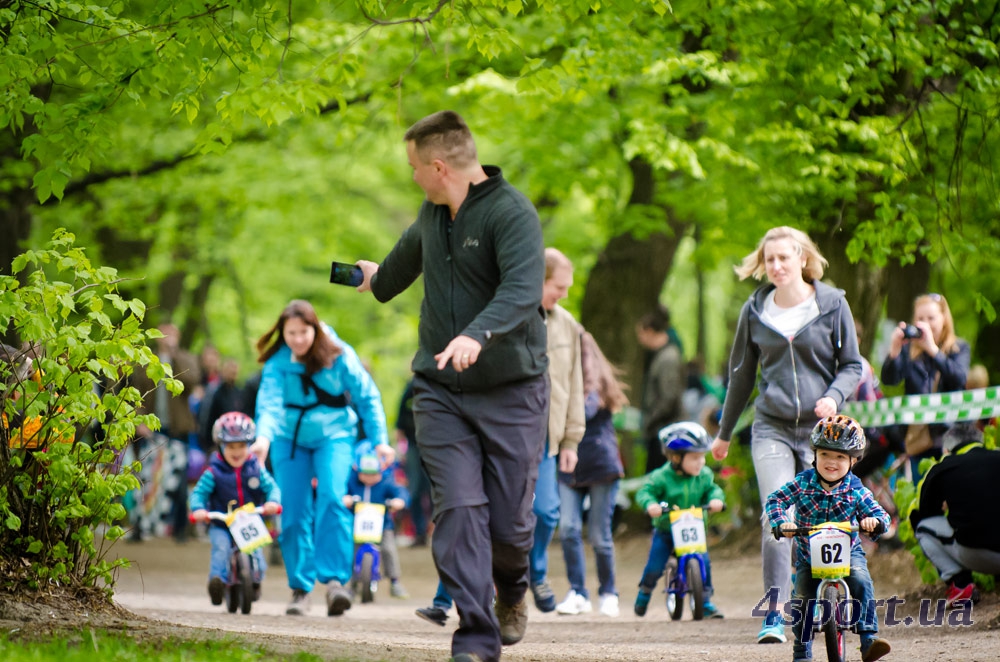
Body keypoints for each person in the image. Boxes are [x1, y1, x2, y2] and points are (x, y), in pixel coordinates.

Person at [356, 109, 549, 662]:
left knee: (511, 524)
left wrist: (477, 334)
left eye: (415, 166)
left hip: (512, 388)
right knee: (459, 510)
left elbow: (521, 287)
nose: (412, 176)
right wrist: (365, 275)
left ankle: (512, 587)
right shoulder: (432, 214)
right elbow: (390, 279)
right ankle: (476, 635)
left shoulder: (511, 215)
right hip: (439, 390)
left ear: (439, 166)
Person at [710, 226, 863, 644]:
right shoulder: (755, 311)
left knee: (831, 514)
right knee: (777, 514)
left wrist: (833, 397)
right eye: (769, 259)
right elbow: (740, 378)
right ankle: (776, 612)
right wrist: (724, 434)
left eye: (784, 257)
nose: (776, 266)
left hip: (823, 433)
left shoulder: (833, 304)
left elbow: (853, 364)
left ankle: (836, 597)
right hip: (772, 427)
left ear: (802, 258)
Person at [249, 299, 392, 617]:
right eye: (290, 333)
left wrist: (380, 441)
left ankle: (336, 583)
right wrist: (263, 438)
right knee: (294, 512)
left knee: (331, 498)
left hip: (335, 437)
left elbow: (367, 397)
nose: (297, 340)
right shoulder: (277, 363)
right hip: (289, 439)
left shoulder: (339, 355)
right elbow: (269, 404)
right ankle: (300, 589)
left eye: (303, 332)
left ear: (315, 329)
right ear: (282, 333)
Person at [766, 415, 891, 662]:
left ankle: (868, 640)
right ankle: (802, 651)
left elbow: (880, 515)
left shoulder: (856, 489)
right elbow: (775, 500)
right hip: (808, 555)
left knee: (861, 581)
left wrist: (872, 522)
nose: (831, 462)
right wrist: (781, 521)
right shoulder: (802, 483)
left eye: (840, 457)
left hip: (848, 552)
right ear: (814, 455)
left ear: (853, 461)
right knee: (802, 598)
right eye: (825, 455)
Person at [554, 331, 628, 618]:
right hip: (569, 467)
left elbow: (581, 411)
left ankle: (608, 592)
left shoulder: (595, 387)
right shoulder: (562, 381)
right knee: (569, 529)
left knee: (599, 535)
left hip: (600, 466)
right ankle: (577, 592)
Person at [530, 247, 585, 613]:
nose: (563, 294)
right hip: (510, 435)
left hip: (550, 439)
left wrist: (571, 439)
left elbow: (575, 383)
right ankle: (496, 580)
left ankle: (535, 572)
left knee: (548, 513)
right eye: (558, 286)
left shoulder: (568, 325)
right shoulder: (510, 315)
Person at [634, 421, 726, 618]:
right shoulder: (662, 476)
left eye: (702, 457)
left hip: (694, 530)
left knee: (704, 562)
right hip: (667, 531)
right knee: (655, 566)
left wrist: (716, 499)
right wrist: (651, 505)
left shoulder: (704, 475)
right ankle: (645, 591)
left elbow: (713, 490)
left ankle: (706, 601)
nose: (700, 462)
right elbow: (645, 492)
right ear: (676, 458)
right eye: (694, 458)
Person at [189, 412, 281, 606]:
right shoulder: (213, 472)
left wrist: (272, 502)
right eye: (231, 446)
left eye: (241, 445)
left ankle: (256, 580)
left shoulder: (255, 468)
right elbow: (199, 493)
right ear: (221, 446)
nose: (237, 451)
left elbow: (271, 487)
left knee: (256, 550)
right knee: (221, 549)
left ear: (249, 445)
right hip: (221, 523)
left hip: (249, 521)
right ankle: (218, 582)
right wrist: (198, 509)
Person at [881, 293, 970, 481]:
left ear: (944, 319)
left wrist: (933, 350)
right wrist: (895, 351)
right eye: (920, 319)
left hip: (950, 436)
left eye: (931, 318)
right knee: (920, 490)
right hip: (918, 437)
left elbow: (959, 379)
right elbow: (889, 380)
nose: (926, 323)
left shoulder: (959, 348)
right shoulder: (909, 351)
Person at [909, 422, 1000, 607]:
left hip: (978, 555)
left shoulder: (944, 467)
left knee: (923, 527)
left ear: (947, 449)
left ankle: (960, 584)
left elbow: (923, 513)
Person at [344, 442, 410, 599]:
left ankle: (394, 581)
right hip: (358, 526)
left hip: (382, 525)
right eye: (365, 474)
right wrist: (345, 498)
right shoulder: (352, 483)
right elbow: (343, 492)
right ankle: (352, 584)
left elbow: (401, 492)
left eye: (374, 474)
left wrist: (399, 501)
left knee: (388, 548)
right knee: (352, 550)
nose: (369, 478)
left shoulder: (386, 483)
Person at [636, 304, 685, 474]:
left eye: (641, 334)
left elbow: (668, 397)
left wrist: (650, 422)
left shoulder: (668, 358)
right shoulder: (663, 356)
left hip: (665, 433)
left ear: (649, 331)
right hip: (660, 431)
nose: (640, 340)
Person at [397, 378, 432, 547]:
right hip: (414, 444)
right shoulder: (411, 387)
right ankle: (420, 533)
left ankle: (437, 530)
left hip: (436, 444)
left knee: (433, 489)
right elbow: (400, 419)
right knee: (416, 489)